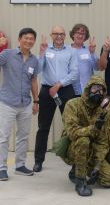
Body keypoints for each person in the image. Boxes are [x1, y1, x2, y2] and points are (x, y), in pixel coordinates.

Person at [61, 75, 110, 196]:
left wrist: (97, 167)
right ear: (88, 89)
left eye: (102, 90)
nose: (98, 92)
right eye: (95, 88)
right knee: (83, 140)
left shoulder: (102, 112)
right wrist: (93, 128)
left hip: (92, 149)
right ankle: (80, 181)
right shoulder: (73, 104)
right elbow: (72, 132)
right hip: (73, 147)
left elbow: (103, 142)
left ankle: (78, 170)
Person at [33, 26, 78, 172]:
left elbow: (74, 73)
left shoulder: (71, 51)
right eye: (56, 34)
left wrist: (59, 85)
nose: (58, 36)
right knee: (43, 127)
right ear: (52, 35)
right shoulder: (46, 50)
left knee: (72, 126)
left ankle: (75, 159)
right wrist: (41, 54)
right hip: (47, 91)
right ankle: (38, 161)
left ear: (65, 35)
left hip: (64, 89)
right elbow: (38, 70)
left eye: (61, 34)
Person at [0, 28, 39, 181]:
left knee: (23, 136)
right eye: (26, 38)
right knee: (3, 136)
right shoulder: (7, 55)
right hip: (7, 102)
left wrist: (36, 101)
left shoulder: (34, 60)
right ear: (19, 39)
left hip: (26, 104)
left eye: (31, 39)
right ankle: (2, 168)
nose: (28, 41)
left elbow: (34, 81)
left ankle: (20, 165)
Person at [70, 23, 98, 97]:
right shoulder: (67, 50)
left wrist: (92, 53)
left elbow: (97, 67)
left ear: (85, 37)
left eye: (83, 34)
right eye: (78, 33)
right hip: (70, 90)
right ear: (73, 34)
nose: (80, 35)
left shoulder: (89, 50)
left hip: (87, 90)